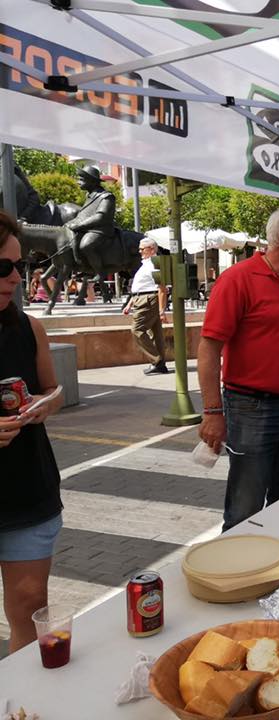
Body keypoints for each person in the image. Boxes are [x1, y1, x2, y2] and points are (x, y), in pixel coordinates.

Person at [198, 206, 279, 531]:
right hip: (253, 408)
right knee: (246, 505)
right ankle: (238, 573)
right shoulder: (237, 280)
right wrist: (212, 411)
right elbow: (209, 348)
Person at [0, 210, 65, 652]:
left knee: (29, 604)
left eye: (20, 266)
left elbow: (53, 389)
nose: (18, 278)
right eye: (6, 267)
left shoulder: (28, 326)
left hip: (27, 489)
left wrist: (45, 405)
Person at [122, 237, 169, 375]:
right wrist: (131, 302)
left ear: (152, 249)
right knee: (156, 333)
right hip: (143, 298)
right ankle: (160, 364)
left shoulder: (155, 264)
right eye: (140, 249)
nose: (140, 251)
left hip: (148, 299)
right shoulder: (147, 264)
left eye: (142, 249)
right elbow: (141, 286)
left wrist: (162, 310)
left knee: (137, 330)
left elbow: (161, 288)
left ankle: (157, 361)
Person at [64, 165, 115, 268]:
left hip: (101, 230)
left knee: (86, 246)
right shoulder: (89, 196)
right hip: (88, 229)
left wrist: (78, 225)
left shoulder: (106, 197)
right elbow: (84, 214)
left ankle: (99, 272)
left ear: (91, 181)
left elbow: (100, 217)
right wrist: (69, 223)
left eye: (82, 179)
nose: (78, 182)